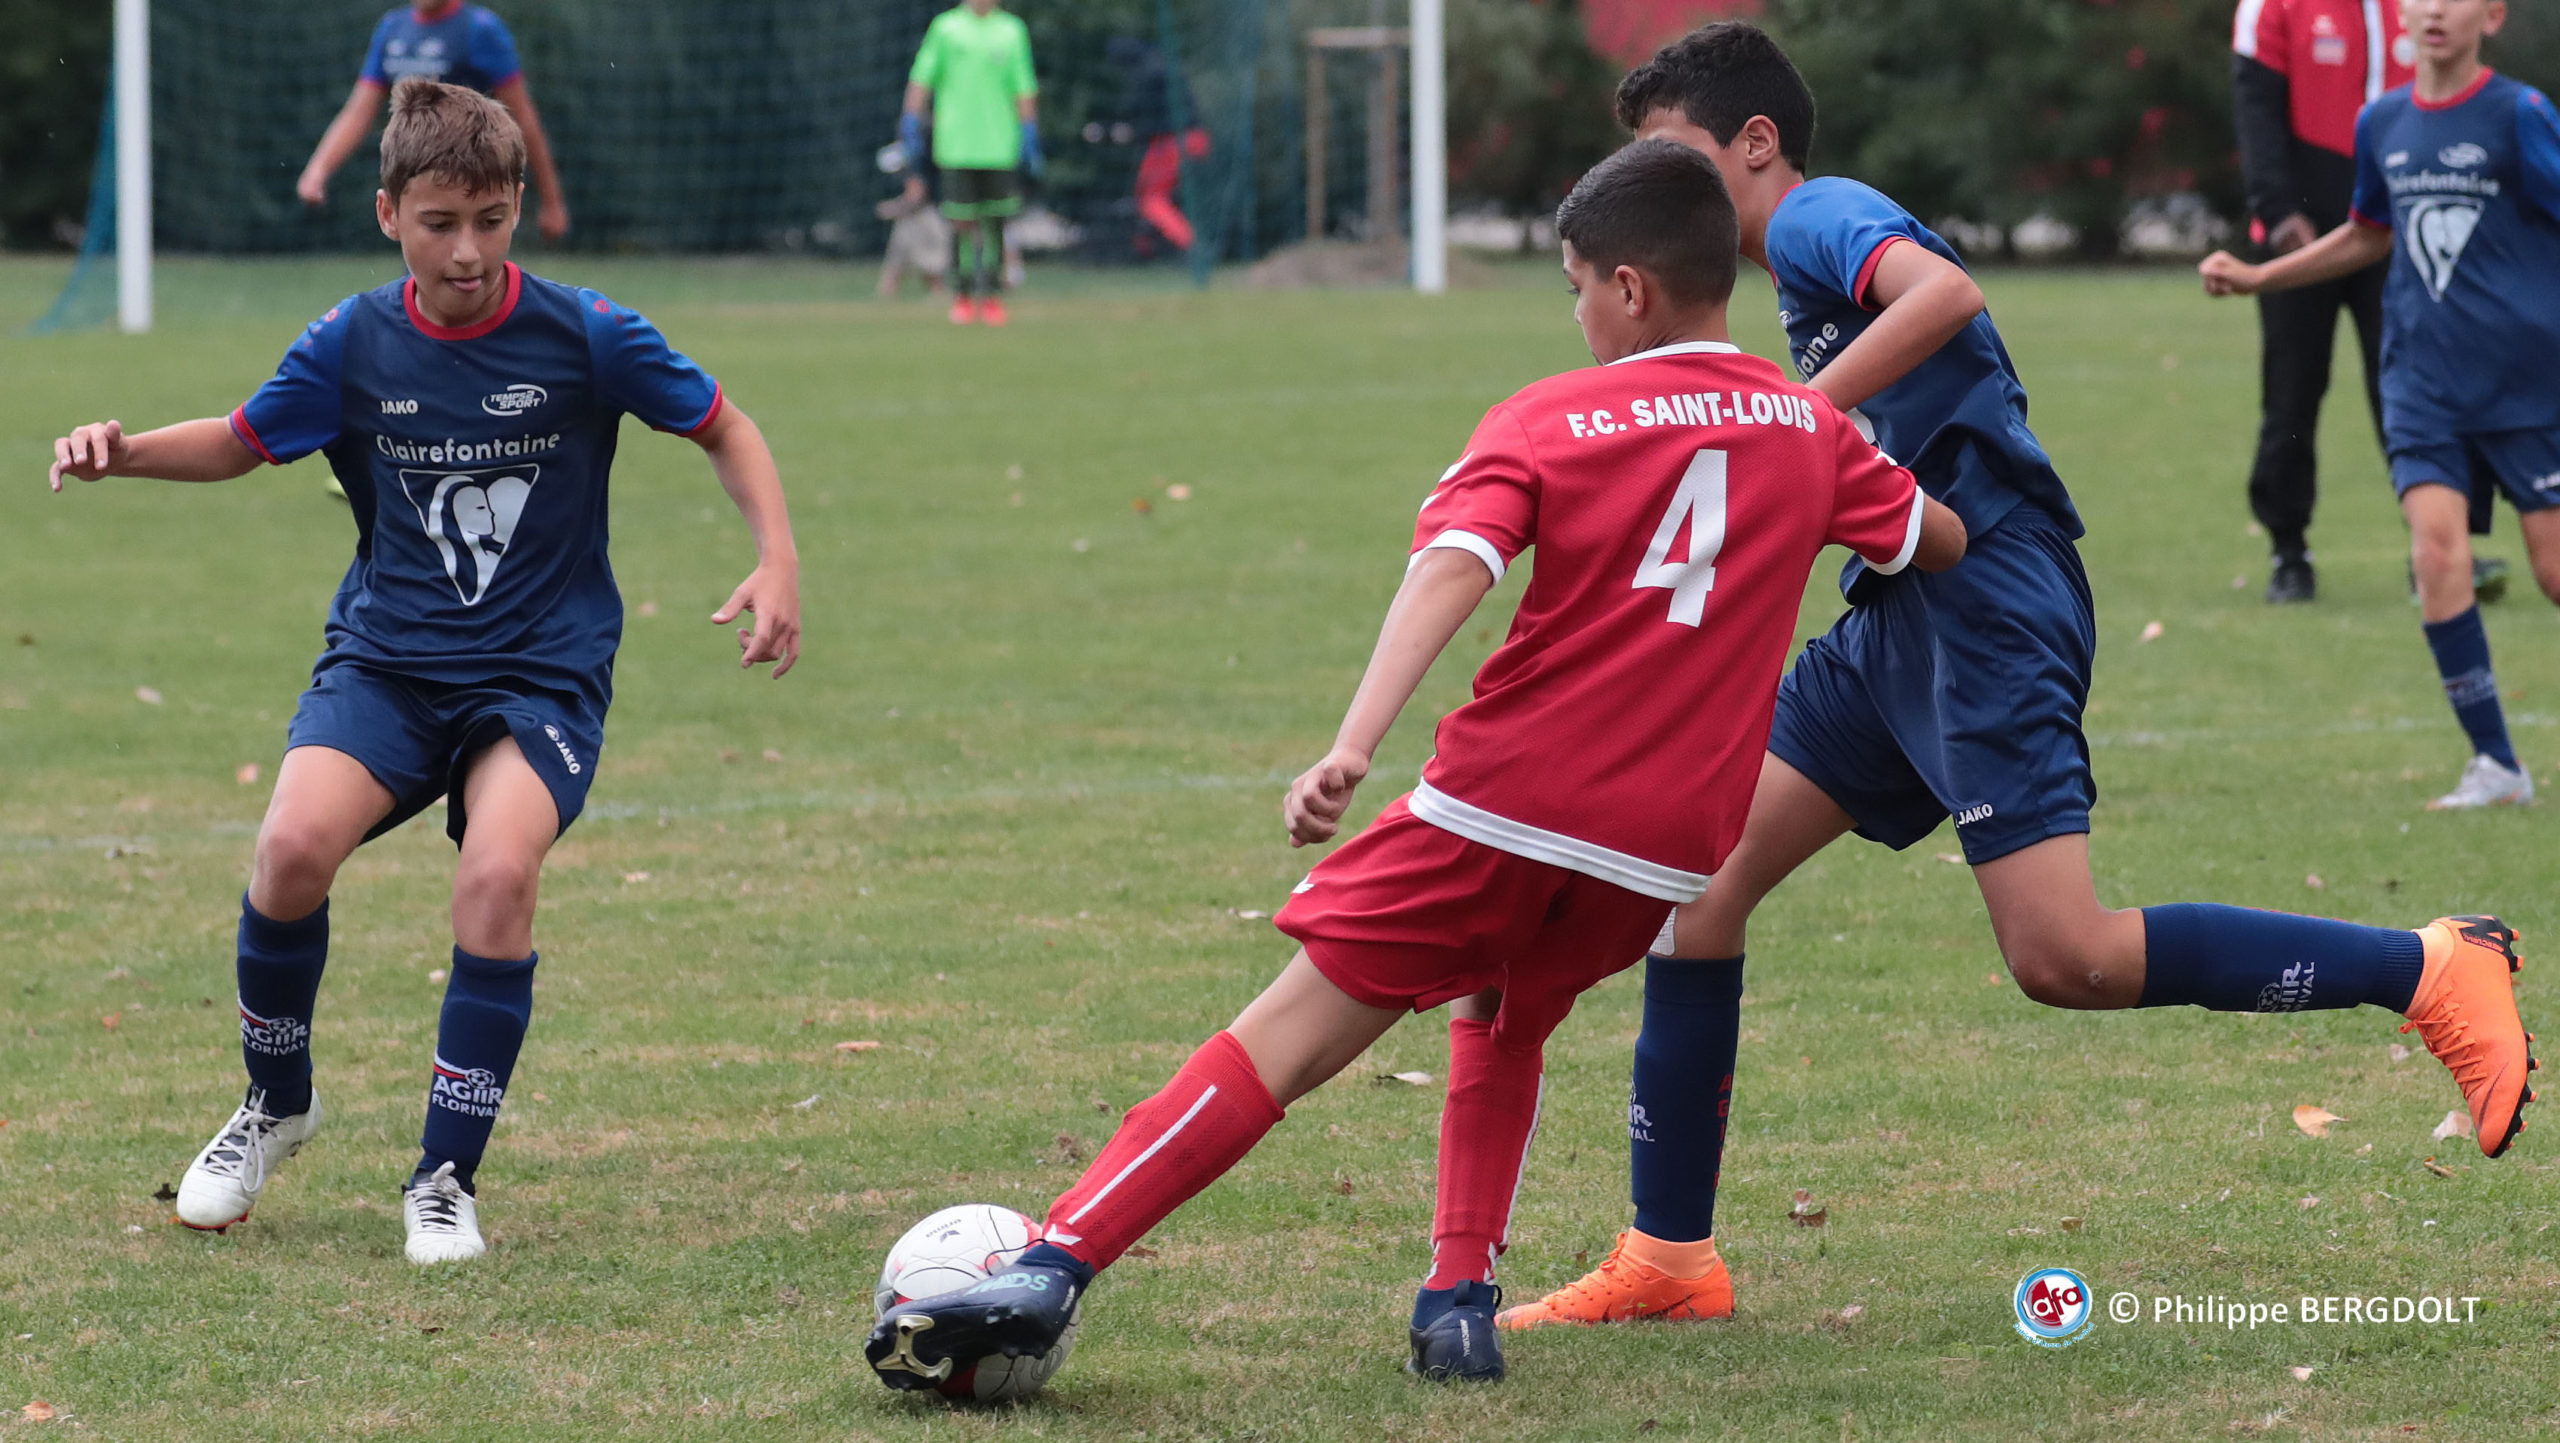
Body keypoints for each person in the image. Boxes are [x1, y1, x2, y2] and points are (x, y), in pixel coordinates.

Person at [862, 138, 1965, 1391]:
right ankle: (1456, 1303)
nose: (1574, 315)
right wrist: (1841, 458)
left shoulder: (1547, 417)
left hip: (1506, 807)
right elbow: (1934, 540)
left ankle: (1054, 1260)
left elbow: (1453, 567)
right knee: (1501, 1009)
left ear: (1629, 289)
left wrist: (1351, 743)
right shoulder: (1806, 427)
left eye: (1574, 289)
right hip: (1664, 853)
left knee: (1284, 1035)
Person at [1491, 22, 2536, 1335]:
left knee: (2065, 955)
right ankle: (1669, 1256)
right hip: (1901, 607)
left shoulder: (1814, 216)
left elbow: (1943, 295)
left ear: (1755, 145)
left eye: (1673, 157)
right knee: (1699, 889)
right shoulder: (1787, 257)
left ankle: (2430, 968)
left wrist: (1794, 423)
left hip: (1986, 593)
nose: (1656, 188)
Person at [45, 79, 802, 1265]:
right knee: (290, 850)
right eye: (440, 222)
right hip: (389, 666)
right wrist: (124, 452)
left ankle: (444, 1177)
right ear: (389, 213)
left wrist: (777, 559)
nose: (468, 252)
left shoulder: (587, 333)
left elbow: (725, 425)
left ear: (516, 211)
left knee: (496, 877)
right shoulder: (351, 344)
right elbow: (242, 441)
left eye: (492, 221)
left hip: (540, 678)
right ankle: (275, 1105)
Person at [2203, 0, 2560, 808]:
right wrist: (2260, 277)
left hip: (2525, 385)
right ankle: (2497, 765)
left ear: (2492, 16)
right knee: (2436, 554)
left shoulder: (2521, 115)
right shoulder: (2383, 122)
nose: (2433, 10)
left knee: (2552, 572)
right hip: (2422, 381)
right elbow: (2369, 231)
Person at [2231, 0, 2410, 601]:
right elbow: (2256, 106)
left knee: (2410, 392)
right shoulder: (2275, 7)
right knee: (2293, 392)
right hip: (2303, 231)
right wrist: (2278, 209)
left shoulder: (2423, 8)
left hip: (2396, 235)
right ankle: (2289, 551)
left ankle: (2435, 543)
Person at [298, 1, 570, 245]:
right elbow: (358, 111)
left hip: (473, 185)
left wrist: (551, 201)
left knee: (466, 267)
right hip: (418, 185)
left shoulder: (480, 29)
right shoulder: (392, 28)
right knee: (427, 271)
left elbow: (523, 118)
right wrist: (318, 170)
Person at [902, 0, 1041, 327]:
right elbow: (922, 78)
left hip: (999, 147)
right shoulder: (946, 28)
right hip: (956, 146)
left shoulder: (1011, 30)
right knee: (961, 223)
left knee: (995, 224)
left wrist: (1029, 130)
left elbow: (1023, 85)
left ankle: (992, 297)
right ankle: (962, 295)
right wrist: (909, 120)